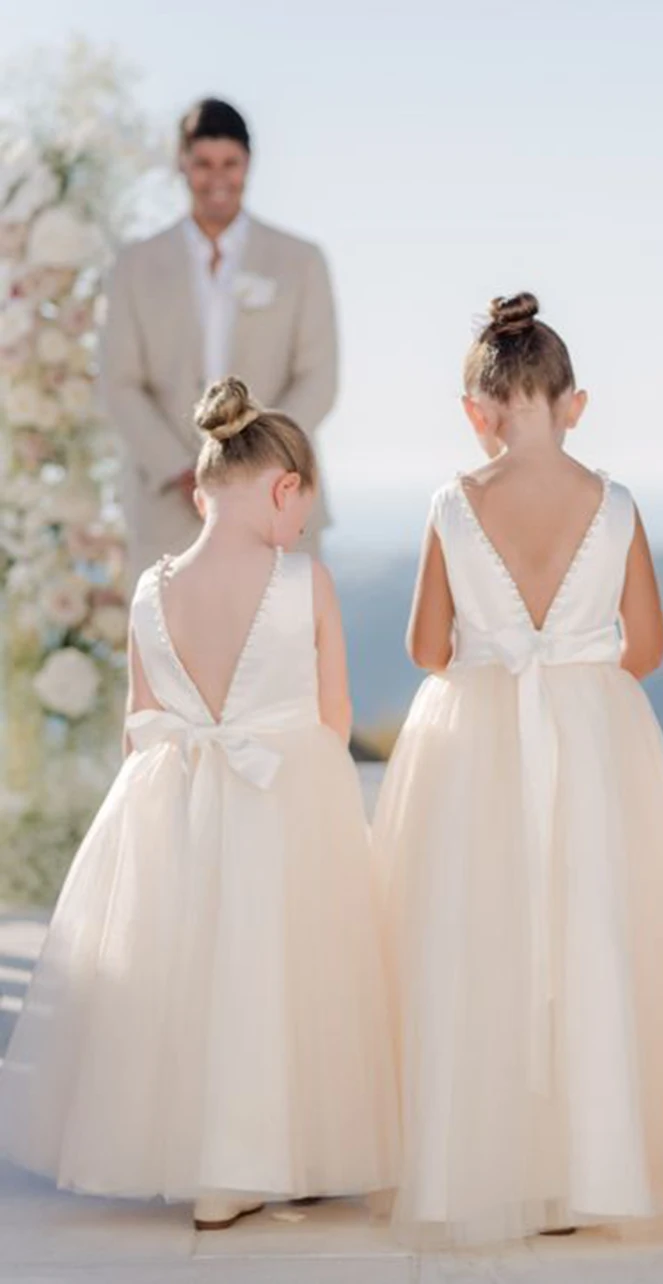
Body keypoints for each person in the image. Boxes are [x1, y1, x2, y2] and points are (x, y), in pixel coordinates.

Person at [0, 378, 398, 1230]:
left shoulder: (151, 589)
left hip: (173, 797)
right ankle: (261, 1156)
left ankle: (197, 1152)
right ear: (283, 489)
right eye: (299, 512)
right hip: (282, 794)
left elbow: (139, 727)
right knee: (282, 974)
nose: (298, 530)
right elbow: (335, 717)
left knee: (187, 975)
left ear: (198, 484)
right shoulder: (302, 580)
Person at [373, 293, 663, 1246]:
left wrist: (504, 654)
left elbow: (429, 646)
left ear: (479, 411)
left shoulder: (451, 504)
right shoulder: (621, 504)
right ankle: (596, 1166)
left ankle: (480, 1165)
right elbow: (648, 648)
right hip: (594, 734)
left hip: (475, 739)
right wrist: (571, 671)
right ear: (574, 403)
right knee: (594, 931)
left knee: (478, 937)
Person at [101, 99, 337, 581]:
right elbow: (118, 382)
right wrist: (184, 470)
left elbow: (319, 377)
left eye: (230, 164)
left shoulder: (301, 261)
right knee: (167, 654)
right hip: (167, 508)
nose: (217, 179)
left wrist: (257, 463)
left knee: (282, 652)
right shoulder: (134, 266)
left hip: (276, 500)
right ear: (182, 164)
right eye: (203, 164)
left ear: (247, 165)